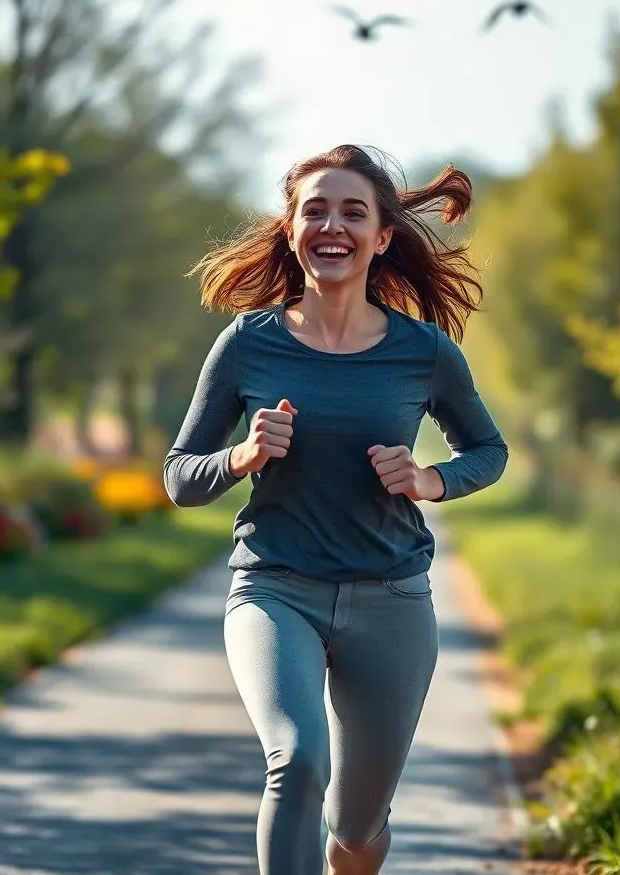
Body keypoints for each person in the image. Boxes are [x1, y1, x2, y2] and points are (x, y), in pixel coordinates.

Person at [162, 144, 508, 875]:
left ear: (383, 237)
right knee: (295, 760)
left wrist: (429, 480)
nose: (333, 225)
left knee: (354, 830)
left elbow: (488, 450)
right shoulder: (247, 345)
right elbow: (179, 477)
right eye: (314, 210)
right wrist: (240, 459)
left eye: (354, 212)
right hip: (274, 587)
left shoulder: (423, 352)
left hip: (391, 599)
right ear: (290, 228)